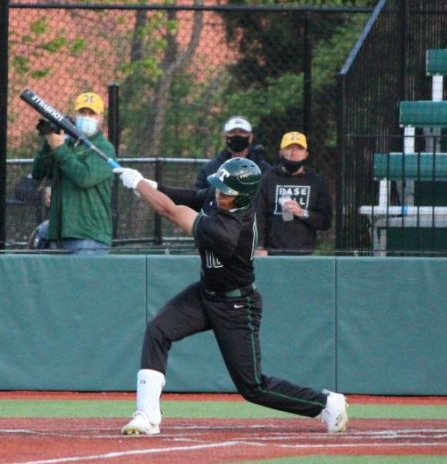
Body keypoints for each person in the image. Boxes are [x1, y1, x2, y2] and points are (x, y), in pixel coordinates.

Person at [111, 158, 349, 435]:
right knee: (158, 331)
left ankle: (326, 403)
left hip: (237, 305)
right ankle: (147, 416)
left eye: (226, 191)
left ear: (242, 196)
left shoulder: (230, 230)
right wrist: (151, 185)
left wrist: (138, 183)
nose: (218, 194)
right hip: (205, 293)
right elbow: (186, 196)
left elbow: (170, 211)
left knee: (253, 387)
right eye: (219, 188)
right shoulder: (219, 197)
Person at [30, 91, 115, 254]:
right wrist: (49, 143)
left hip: (88, 235)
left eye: (92, 113)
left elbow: (84, 178)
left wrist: (59, 148)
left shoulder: (104, 148)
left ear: (101, 118)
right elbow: (38, 172)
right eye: (82, 112)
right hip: (59, 234)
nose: (86, 116)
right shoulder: (66, 144)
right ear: (74, 115)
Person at [253, 131, 332, 256]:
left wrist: (302, 213)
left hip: (304, 253)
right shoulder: (267, 179)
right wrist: (259, 245)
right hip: (271, 253)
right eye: (289, 148)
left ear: (306, 154)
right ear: (281, 152)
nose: (293, 153)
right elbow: (258, 215)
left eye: (299, 149)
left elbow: (326, 221)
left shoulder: (316, 182)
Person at [194, 116, 271, 190]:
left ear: (250, 137)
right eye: (232, 132)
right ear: (225, 137)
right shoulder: (209, 169)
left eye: (242, 132)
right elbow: (198, 197)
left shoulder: (264, 169)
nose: (237, 135)